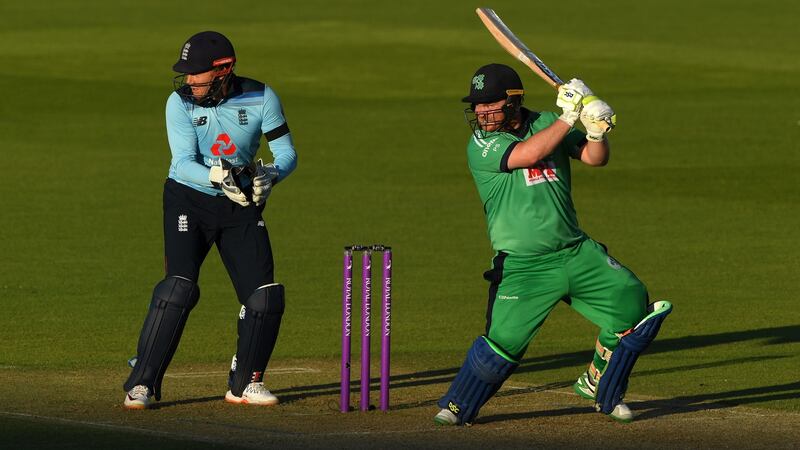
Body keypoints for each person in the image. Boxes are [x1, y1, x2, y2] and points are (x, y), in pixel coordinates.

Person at [434, 64, 672, 425]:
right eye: (477, 106)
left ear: (514, 101)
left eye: (490, 104)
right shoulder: (481, 144)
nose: (481, 112)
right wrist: (570, 115)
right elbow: (527, 155)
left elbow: (596, 159)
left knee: (632, 306)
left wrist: (595, 130)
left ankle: (597, 383)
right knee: (503, 344)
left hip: (575, 251)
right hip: (524, 265)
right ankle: (457, 405)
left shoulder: (547, 121)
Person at [123, 31, 297, 409]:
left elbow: (285, 151)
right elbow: (184, 163)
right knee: (179, 289)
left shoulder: (262, 97)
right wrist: (220, 176)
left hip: (240, 206)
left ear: (223, 70)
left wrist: (272, 175)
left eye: (195, 74)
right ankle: (143, 383)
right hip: (189, 200)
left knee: (265, 298)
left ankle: (246, 381)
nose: (188, 81)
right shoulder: (179, 103)